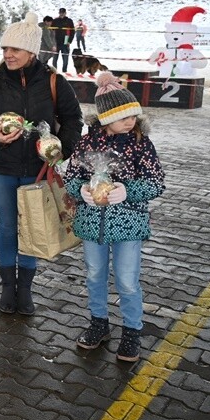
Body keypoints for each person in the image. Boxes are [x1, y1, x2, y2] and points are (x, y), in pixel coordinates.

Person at [0, 12, 83, 316]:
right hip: (0, 167)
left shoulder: (53, 81)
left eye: (15, 49)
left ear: (31, 51)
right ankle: (8, 288)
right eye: (5, 49)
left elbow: (73, 118)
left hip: (37, 168)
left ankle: (26, 290)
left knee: (32, 226)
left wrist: (60, 150)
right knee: (7, 227)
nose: (8, 55)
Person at [64, 72, 164, 362]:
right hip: (92, 223)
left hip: (129, 224)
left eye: (133, 114)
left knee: (127, 281)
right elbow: (71, 176)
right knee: (95, 275)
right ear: (105, 118)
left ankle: (132, 331)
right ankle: (99, 323)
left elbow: (156, 182)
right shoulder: (86, 144)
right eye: (122, 116)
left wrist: (127, 190)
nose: (129, 121)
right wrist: (81, 189)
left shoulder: (140, 144)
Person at [51, 8, 75, 73]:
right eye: (60, 13)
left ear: (65, 13)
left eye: (63, 13)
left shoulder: (69, 21)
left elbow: (72, 32)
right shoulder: (55, 20)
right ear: (59, 13)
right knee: (55, 58)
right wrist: (52, 42)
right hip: (56, 42)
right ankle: (54, 71)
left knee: (65, 58)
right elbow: (51, 31)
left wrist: (69, 41)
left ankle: (64, 71)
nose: (62, 14)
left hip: (65, 41)